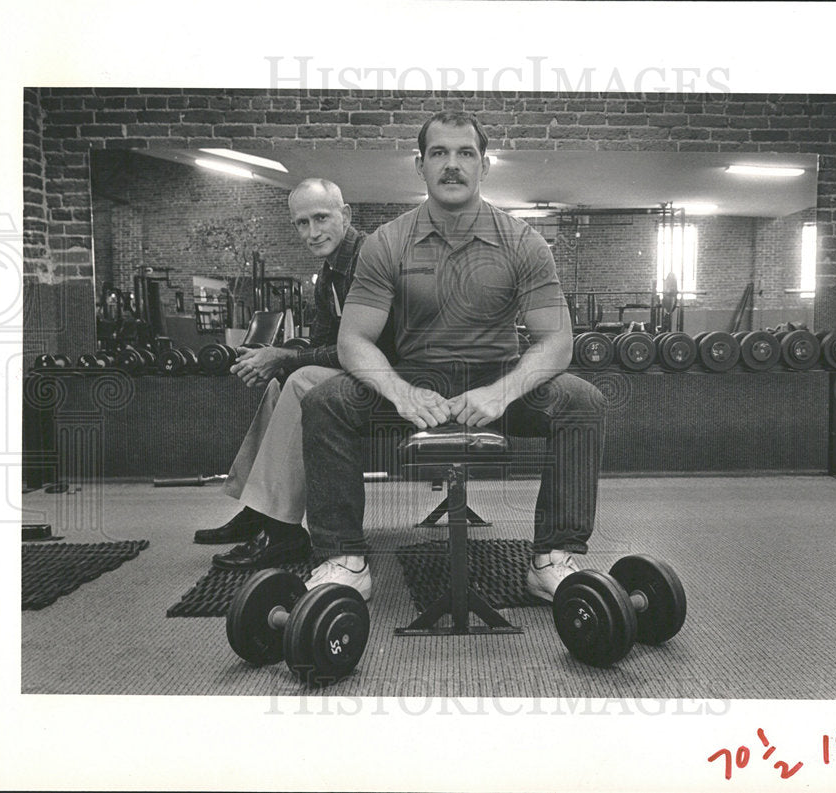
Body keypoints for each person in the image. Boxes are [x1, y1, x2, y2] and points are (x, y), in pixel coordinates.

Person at [298, 111, 608, 602]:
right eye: (439, 153)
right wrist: (399, 392)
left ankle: (553, 556)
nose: (452, 164)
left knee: (582, 402)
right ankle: (344, 559)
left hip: (496, 380)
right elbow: (353, 339)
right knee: (326, 401)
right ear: (420, 165)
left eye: (465, 153)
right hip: (416, 380)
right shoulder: (386, 243)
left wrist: (501, 393)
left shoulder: (523, 242)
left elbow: (557, 341)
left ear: (484, 165)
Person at [195, 178, 392, 570]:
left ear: (345, 215)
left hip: (393, 377)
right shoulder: (329, 274)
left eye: (321, 218)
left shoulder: (371, 260)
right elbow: (322, 344)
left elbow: (366, 349)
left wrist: (283, 357)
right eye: (302, 223)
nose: (312, 232)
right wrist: (274, 360)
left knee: (300, 382)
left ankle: (283, 532)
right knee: (279, 384)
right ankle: (259, 510)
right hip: (361, 374)